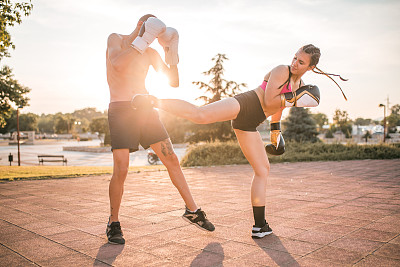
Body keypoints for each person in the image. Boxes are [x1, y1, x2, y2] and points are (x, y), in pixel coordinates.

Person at [132, 44, 347, 238]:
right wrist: (294, 98)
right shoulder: (282, 70)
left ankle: (260, 226)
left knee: (263, 170)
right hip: (246, 104)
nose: (294, 63)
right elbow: (269, 99)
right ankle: (153, 100)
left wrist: (275, 134)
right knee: (201, 115)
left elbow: (278, 109)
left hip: (252, 122)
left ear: (310, 67)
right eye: (295, 57)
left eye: (301, 62)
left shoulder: (299, 83)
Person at [106, 14, 215, 245]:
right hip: (121, 110)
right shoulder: (117, 39)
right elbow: (117, 64)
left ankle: (192, 210)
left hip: (145, 109)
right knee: (122, 168)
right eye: (152, 33)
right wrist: (144, 38)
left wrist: (171, 51)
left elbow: (173, 81)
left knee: (172, 159)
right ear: (141, 26)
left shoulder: (151, 53)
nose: (154, 39)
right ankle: (113, 222)